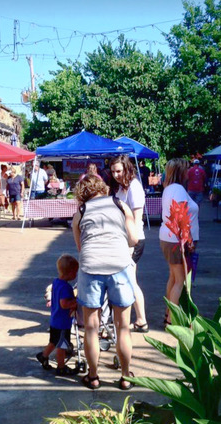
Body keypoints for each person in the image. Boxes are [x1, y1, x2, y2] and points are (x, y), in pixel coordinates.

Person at [72, 174, 138, 391]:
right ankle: (126, 376)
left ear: (82, 194)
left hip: (91, 267)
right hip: (119, 266)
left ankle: (93, 377)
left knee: (91, 327)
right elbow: (134, 239)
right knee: (123, 327)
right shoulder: (121, 206)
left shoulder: (80, 213)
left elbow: (81, 247)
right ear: (103, 188)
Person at [109, 155, 148, 332]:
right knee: (130, 280)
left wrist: (131, 246)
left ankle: (141, 321)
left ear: (127, 169)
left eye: (119, 171)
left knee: (131, 281)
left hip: (134, 240)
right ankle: (139, 320)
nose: (116, 175)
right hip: (124, 240)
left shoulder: (134, 187)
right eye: (113, 171)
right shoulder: (122, 188)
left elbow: (137, 219)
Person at [160, 158, 200, 326]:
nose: (189, 172)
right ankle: (172, 319)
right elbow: (181, 215)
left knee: (173, 277)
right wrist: (188, 239)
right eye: (186, 169)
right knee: (180, 281)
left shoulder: (170, 188)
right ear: (180, 171)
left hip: (170, 238)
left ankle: (168, 312)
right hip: (177, 240)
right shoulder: (178, 189)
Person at [36, 254, 79, 376]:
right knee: (62, 345)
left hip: (55, 320)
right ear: (70, 273)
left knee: (53, 341)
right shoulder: (66, 288)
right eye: (75, 272)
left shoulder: (56, 282)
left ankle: (44, 355)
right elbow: (64, 304)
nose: (76, 275)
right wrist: (76, 301)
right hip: (62, 323)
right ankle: (61, 367)